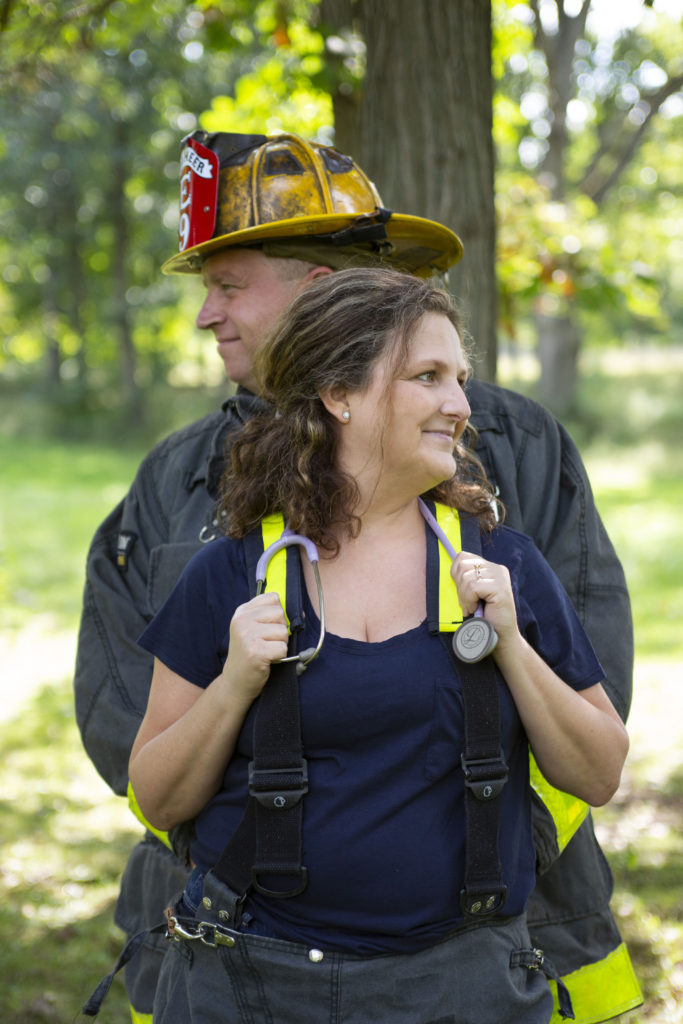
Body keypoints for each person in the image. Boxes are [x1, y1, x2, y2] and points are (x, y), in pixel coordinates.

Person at [75, 131, 642, 1022]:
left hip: (482, 952)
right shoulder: (175, 475)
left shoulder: (513, 449)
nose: (204, 315)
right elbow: (124, 719)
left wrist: (453, 869)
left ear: (322, 293)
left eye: (228, 285)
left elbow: (589, 703)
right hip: (239, 959)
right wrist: (261, 866)